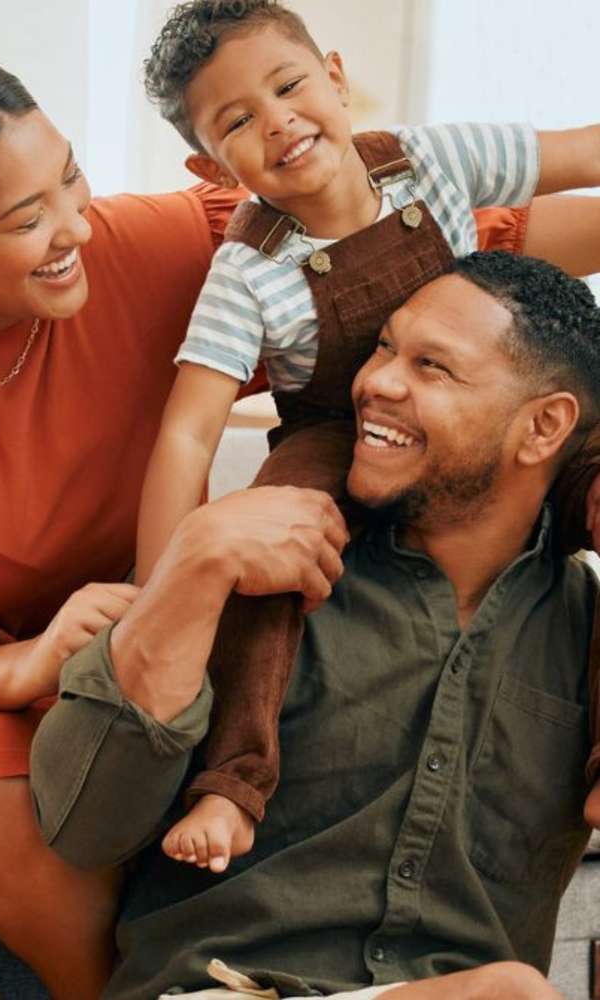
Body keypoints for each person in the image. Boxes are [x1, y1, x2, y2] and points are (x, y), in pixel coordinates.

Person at [0, 42, 600, 1000]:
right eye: (25, 218)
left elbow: (426, 252)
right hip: (49, 676)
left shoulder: (160, 249)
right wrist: (31, 660)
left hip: (155, 660)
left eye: (71, 179)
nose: (73, 229)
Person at [31, 251, 600, 1000]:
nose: (378, 382)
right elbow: (83, 825)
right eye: (385, 347)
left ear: (543, 427)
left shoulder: (584, 631)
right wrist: (194, 564)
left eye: (433, 368)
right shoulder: (253, 566)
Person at [132, 0, 600, 872]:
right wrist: (167, 582)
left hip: (477, 399)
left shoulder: (436, 159)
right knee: (267, 555)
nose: (278, 122)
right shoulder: (249, 269)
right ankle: (232, 782)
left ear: (337, 79)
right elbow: (189, 435)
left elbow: (578, 148)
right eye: (238, 121)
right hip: (336, 429)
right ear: (210, 163)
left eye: (289, 85)